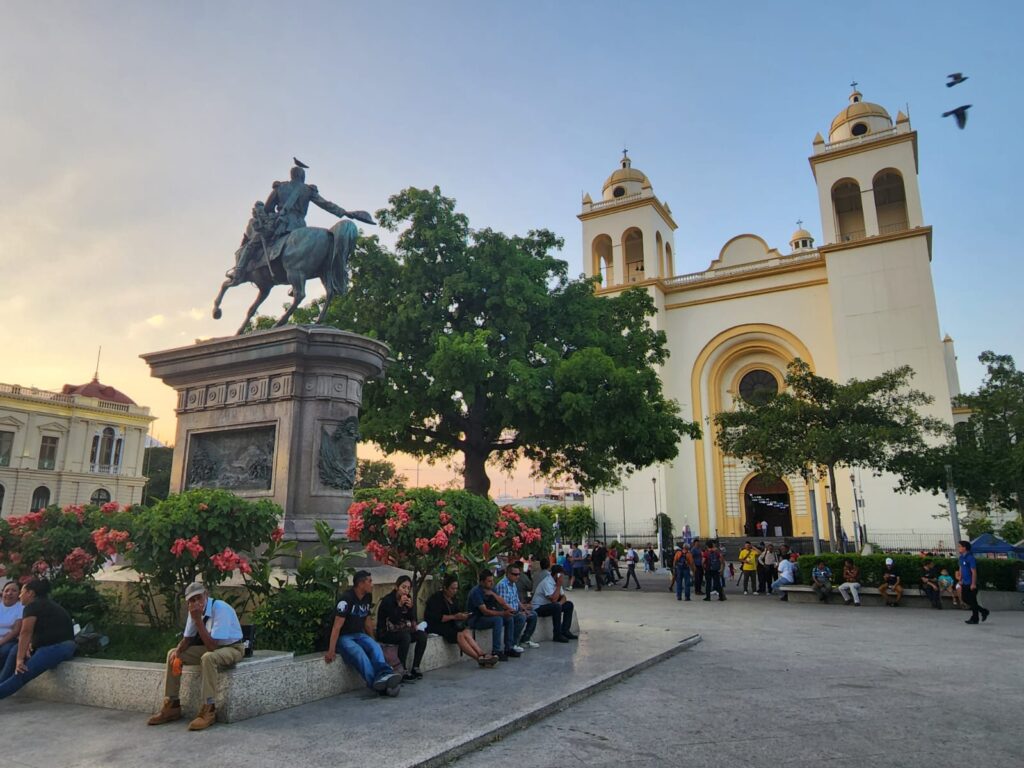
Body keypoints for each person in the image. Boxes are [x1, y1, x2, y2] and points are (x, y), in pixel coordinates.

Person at [147, 582, 245, 729]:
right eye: (191, 600)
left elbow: (212, 647)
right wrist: (178, 652)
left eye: (198, 598)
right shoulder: (194, 611)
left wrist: (198, 620)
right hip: (212, 647)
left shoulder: (220, 609)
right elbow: (187, 639)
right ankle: (172, 705)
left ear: (206, 595)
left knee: (208, 657)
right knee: (172, 654)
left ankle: (209, 709)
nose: (196, 603)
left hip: (232, 648)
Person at [324, 570, 402, 696]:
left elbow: (366, 620)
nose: (372, 584)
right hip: (344, 637)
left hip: (358, 634)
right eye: (369, 581)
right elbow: (336, 626)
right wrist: (331, 650)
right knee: (359, 653)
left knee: (375, 647)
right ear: (361, 584)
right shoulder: (346, 600)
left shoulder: (367, 597)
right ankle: (376, 684)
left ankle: (385, 675)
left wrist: (372, 639)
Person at [0, 579, 75, 700]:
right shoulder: (45, 604)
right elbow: (42, 629)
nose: (20, 596)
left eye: (22, 592)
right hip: (51, 645)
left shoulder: (33, 606)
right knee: (15, 650)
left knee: (22, 674)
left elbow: (25, 632)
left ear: (30, 593)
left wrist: (19, 660)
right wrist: (29, 645)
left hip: (57, 648)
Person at [424, 574, 496, 667]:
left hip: (450, 624)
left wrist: (463, 615)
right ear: (445, 588)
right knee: (460, 635)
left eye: (456, 588)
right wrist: (455, 617)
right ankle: (478, 659)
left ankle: (481, 654)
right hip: (437, 625)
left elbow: (456, 612)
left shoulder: (453, 598)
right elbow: (437, 617)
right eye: (452, 589)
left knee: (466, 631)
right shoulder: (436, 599)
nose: (454, 591)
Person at [376, 575, 428, 681]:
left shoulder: (407, 599)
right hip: (386, 632)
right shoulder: (388, 600)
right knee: (406, 637)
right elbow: (393, 619)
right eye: (403, 587)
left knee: (422, 635)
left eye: (408, 588)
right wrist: (399, 606)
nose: (406, 591)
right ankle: (401, 669)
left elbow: (412, 619)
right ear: (397, 587)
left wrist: (410, 608)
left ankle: (416, 667)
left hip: (401, 630)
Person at [467, 570, 518, 661]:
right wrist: (503, 613)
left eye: (492, 581)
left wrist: (494, 595)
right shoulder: (476, 592)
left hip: (487, 617)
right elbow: (485, 611)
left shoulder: (492, 589)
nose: (492, 583)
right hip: (476, 619)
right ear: (482, 582)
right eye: (489, 581)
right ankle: (496, 651)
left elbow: (502, 603)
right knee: (498, 620)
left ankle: (509, 648)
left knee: (509, 618)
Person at [494, 564, 538, 649]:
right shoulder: (503, 585)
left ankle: (525, 640)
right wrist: (519, 612)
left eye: (518, 574)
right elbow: (504, 604)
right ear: (508, 574)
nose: (517, 576)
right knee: (521, 617)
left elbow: (516, 600)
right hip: (507, 612)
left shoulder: (513, 583)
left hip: (515, 610)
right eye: (515, 574)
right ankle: (513, 643)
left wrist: (525, 610)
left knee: (533, 615)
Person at [531, 565, 577, 642]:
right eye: (561, 575)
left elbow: (564, 597)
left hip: (550, 606)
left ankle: (565, 630)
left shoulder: (556, 581)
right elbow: (554, 599)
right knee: (556, 606)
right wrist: (558, 585)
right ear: (557, 574)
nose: (562, 577)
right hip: (539, 608)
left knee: (569, 605)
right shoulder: (547, 582)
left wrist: (560, 603)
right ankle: (557, 635)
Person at [957, 540, 990, 625]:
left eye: (960, 546)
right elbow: (961, 568)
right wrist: (960, 578)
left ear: (964, 548)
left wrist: (973, 583)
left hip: (971, 583)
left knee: (972, 601)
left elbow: (974, 571)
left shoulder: (970, 558)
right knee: (966, 599)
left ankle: (975, 618)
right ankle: (983, 611)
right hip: (964, 582)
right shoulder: (961, 557)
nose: (958, 548)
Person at [0, 582, 24, 670]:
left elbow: (15, 630)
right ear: (2, 593)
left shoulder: (21, 607)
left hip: (8, 640)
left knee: (4, 651)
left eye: (14, 591)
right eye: (7, 590)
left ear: (19, 594)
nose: (9, 593)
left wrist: (1, 642)